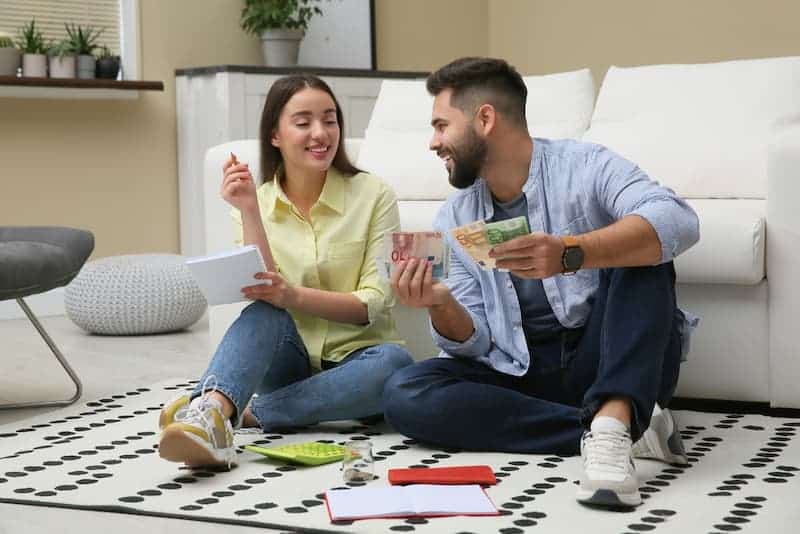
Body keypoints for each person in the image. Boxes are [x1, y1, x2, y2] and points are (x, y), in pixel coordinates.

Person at [382, 57, 700, 508]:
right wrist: (439, 303)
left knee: (643, 247)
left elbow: (678, 221)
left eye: (441, 125)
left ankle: (613, 418)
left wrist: (573, 252)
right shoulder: (455, 216)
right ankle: (621, 427)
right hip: (521, 370)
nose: (433, 143)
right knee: (404, 393)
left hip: (609, 356)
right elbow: (473, 346)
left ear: (485, 118)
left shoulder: (585, 167)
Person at [158, 74, 412, 469]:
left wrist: (292, 295)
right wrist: (247, 210)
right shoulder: (256, 201)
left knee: (395, 366)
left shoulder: (374, 195)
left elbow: (373, 305)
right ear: (275, 135)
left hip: (358, 362)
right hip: (287, 363)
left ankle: (230, 412)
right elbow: (262, 287)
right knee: (263, 312)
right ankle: (213, 412)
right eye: (303, 121)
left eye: (329, 119)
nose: (320, 133)